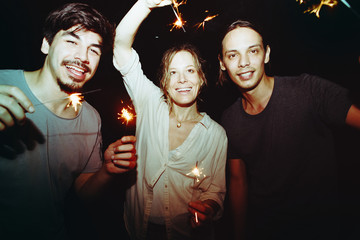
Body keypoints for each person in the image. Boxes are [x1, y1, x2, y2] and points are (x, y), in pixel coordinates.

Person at [0, 3, 137, 239]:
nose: (83, 57)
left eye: (93, 50)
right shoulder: (3, 84)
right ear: (46, 44)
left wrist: (107, 170)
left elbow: (83, 192)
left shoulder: (92, 119)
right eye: (72, 41)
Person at [218, 19, 360, 240]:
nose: (244, 62)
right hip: (266, 230)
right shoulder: (229, 119)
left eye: (252, 51)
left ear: (266, 54)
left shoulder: (308, 90)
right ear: (222, 63)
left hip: (322, 229)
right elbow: (238, 181)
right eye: (233, 55)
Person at [106, 0, 228, 239]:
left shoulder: (215, 134)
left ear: (202, 79)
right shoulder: (150, 103)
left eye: (190, 71)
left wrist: (208, 208)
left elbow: (215, 191)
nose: (182, 79)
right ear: (164, 82)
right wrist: (145, 4)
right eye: (173, 72)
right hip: (135, 230)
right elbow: (119, 46)